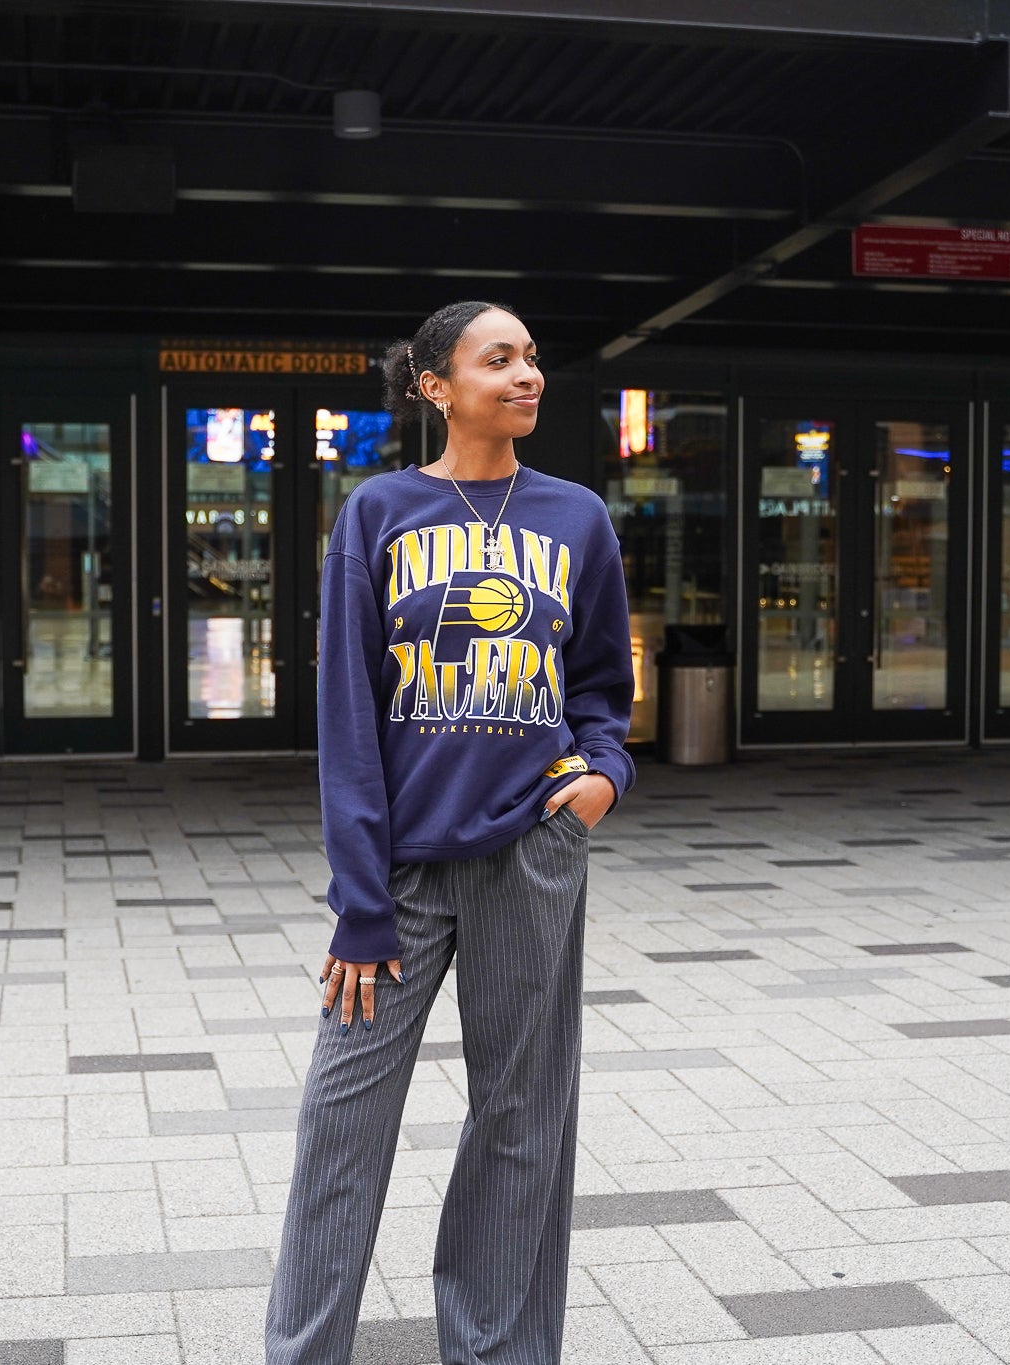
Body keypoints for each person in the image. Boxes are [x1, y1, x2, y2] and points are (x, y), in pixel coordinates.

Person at [264, 301, 637, 1364]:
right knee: (340, 1126)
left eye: (530, 359)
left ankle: (495, 1351)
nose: (528, 376)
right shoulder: (378, 513)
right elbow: (346, 721)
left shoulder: (576, 519)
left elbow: (602, 683)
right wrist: (359, 905)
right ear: (433, 384)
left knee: (521, 1122)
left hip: (531, 851)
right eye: (499, 359)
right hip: (401, 876)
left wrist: (601, 774)